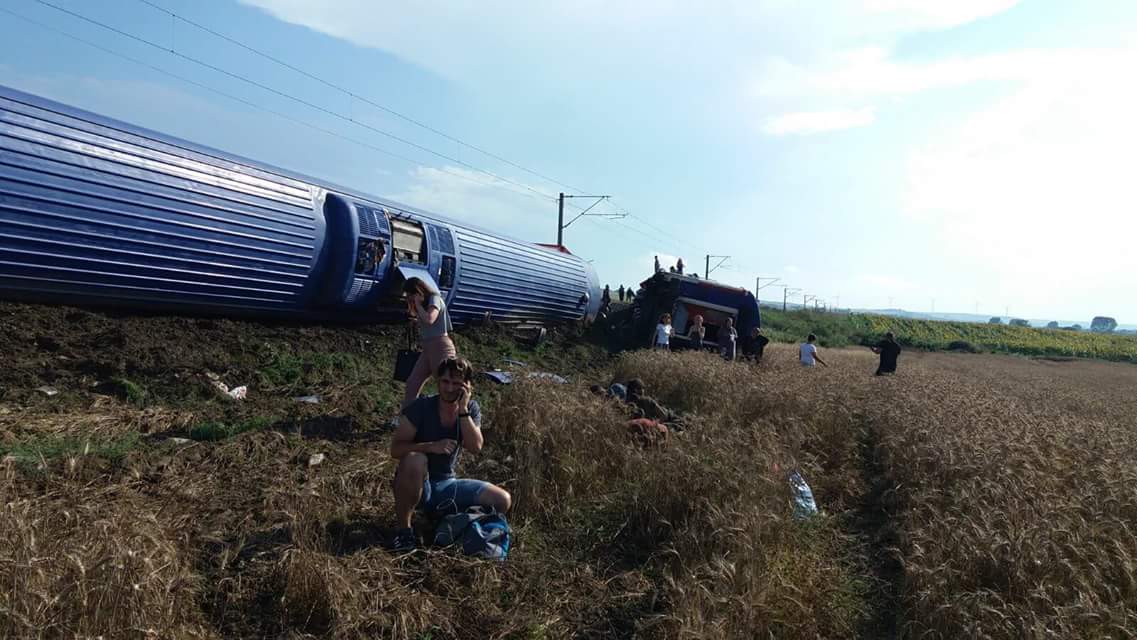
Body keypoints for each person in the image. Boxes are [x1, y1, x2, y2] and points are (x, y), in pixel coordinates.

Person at [389, 358, 511, 552]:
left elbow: (476, 446)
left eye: (456, 383)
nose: (449, 388)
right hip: (420, 481)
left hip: (448, 484)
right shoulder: (421, 407)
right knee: (415, 459)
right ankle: (404, 531)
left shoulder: (470, 409)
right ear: (438, 382)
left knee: (502, 500)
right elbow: (396, 449)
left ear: (467, 386)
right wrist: (430, 446)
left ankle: (449, 523)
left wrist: (462, 410)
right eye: (445, 382)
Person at [402, 277, 457, 410]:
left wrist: (418, 304)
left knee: (446, 385)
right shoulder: (425, 304)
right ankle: (407, 416)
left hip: (441, 347)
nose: (408, 297)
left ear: (418, 291)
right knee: (413, 383)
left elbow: (430, 319)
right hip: (428, 348)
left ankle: (456, 415)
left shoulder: (434, 298)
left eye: (410, 294)